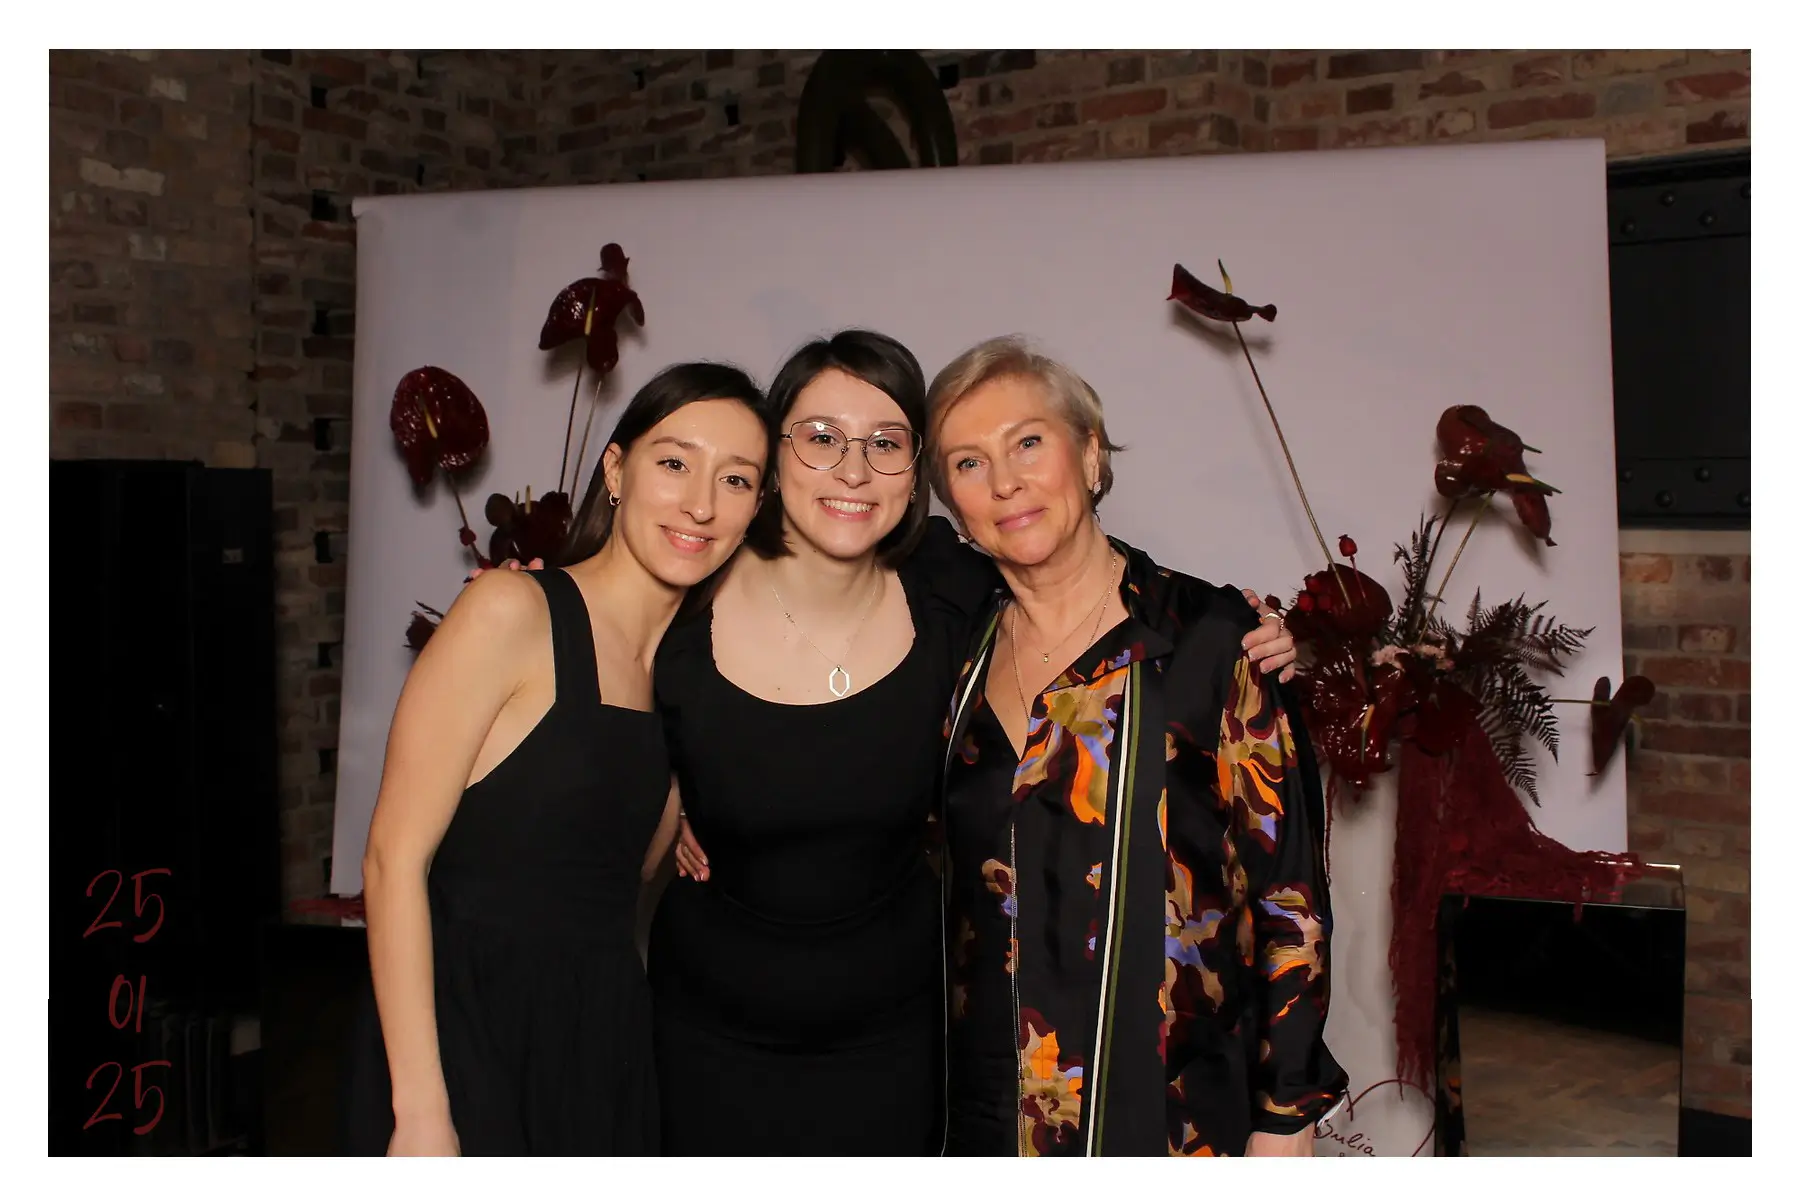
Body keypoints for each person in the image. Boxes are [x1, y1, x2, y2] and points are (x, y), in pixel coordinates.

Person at [475, 331, 1298, 1157]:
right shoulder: (686, 595)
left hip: (901, 1049)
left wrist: (1248, 633)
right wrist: (535, 619)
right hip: (707, 1039)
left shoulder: (955, 595)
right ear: (773, 459)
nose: (853, 469)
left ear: (914, 480)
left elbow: (1092, 594)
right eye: (821, 438)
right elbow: (594, 662)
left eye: (885, 443)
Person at [923, 335, 1348, 1157]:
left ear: (1089, 456)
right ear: (954, 507)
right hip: (985, 1115)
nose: (1005, 481)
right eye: (969, 463)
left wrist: (1286, 1113)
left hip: (1170, 1118)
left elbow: (1288, 893)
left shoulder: (1210, 640)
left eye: (1028, 443)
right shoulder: (952, 654)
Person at [344, 362, 774, 1156]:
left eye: (737, 479)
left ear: (755, 509)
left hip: (600, 1039)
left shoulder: (685, 675)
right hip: (466, 1033)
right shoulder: (511, 610)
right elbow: (390, 861)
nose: (702, 504)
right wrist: (422, 1110)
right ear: (616, 470)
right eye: (674, 463)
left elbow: (624, 875)